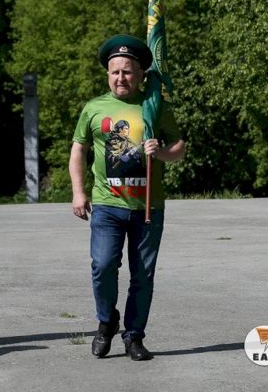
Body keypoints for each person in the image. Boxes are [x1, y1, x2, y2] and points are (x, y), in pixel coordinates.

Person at [69, 35, 185, 361]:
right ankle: (107, 321)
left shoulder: (155, 106)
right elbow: (78, 150)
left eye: (128, 71)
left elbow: (179, 148)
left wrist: (160, 152)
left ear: (140, 74)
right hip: (107, 205)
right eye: (115, 72)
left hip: (148, 208)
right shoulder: (94, 108)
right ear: (108, 74)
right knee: (103, 266)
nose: (121, 77)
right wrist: (78, 192)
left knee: (143, 276)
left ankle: (134, 336)